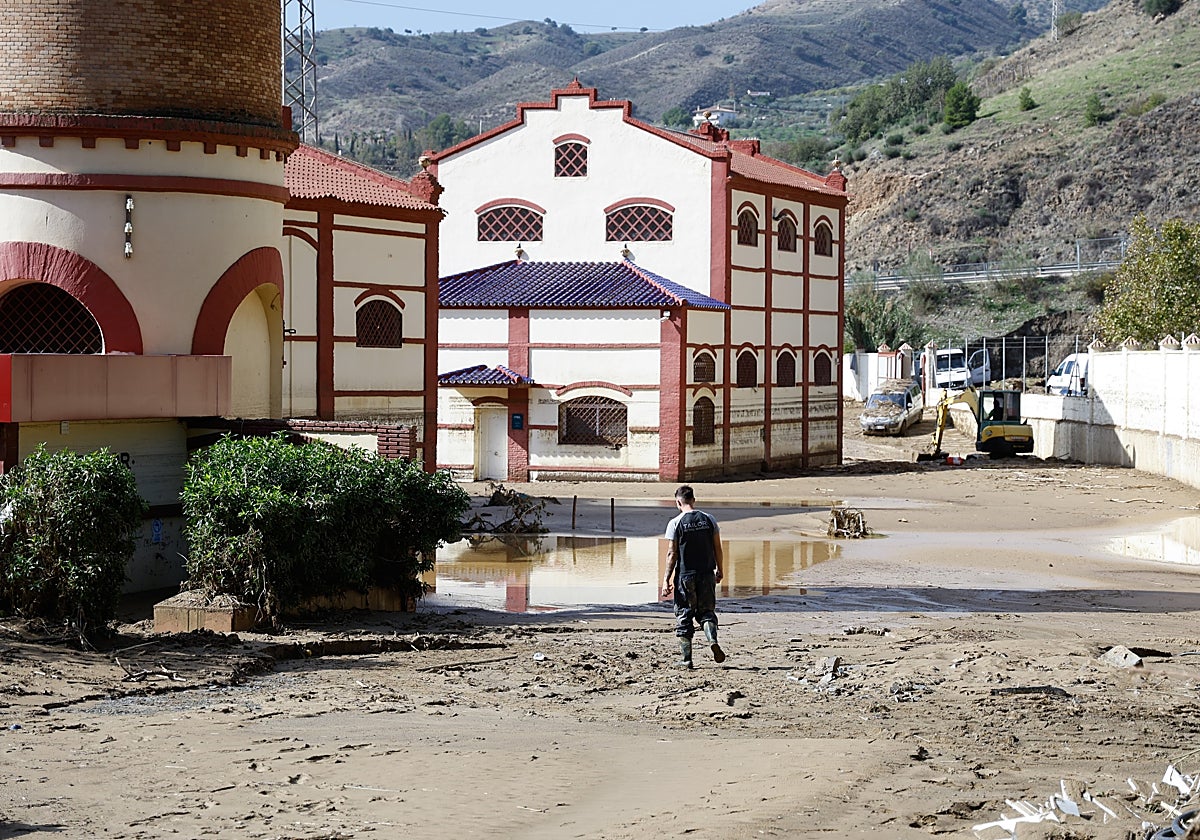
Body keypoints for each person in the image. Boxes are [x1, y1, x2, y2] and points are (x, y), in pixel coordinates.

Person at [660, 485, 725, 669]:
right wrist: (720, 569)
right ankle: (712, 639)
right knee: (707, 613)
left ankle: (686, 659)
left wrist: (666, 579)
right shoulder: (709, 519)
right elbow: (717, 548)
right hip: (706, 574)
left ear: (678, 502)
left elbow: (672, 554)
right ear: (693, 500)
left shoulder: (675, 523)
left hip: (685, 576)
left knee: (684, 615)